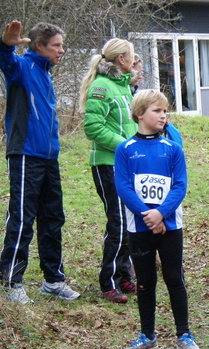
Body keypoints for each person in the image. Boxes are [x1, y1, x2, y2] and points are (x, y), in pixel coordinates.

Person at [115, 89, 200, 349]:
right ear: (140, 114)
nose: (163, 115)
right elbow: (123, 187)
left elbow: (180, 185)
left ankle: (184, 335)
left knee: (174, 278)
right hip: (139, 227)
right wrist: (147, 216)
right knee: (145, 282)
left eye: (165, 111)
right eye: (157, 110)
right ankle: (147, 336)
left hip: (170, 225)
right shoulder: (125, 149)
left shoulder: (172, 149)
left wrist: (161, 213)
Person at [0, 20, 80, 303]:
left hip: (49, 158)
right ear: (39, 46)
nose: (62, 50)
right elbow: (6, 61)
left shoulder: (46, 73)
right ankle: (12, 282)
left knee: (53, 218)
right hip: (25, 155)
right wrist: (6, 44)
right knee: (22, 219)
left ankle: (53, 280)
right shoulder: (23, 68)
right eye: (56, 45)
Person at [79, 38, 137, 304]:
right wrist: (125, 145)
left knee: (129, 221)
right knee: (118, 222)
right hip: (106, 164)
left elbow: (128, 125)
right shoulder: (101, 86)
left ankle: (123, 274)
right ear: (121, 59)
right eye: (132, 55)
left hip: (126, 164)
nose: (135, 59)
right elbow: (92, 128)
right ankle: (108, 282)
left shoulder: (123, 87)